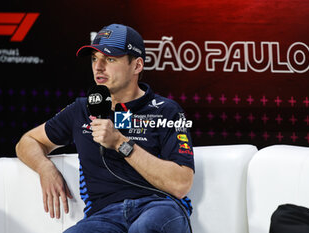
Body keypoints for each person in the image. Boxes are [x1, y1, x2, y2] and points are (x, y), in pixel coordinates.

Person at [16, 23, 195, 233]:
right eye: (94, 59)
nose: (98, 67)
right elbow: (27, 142)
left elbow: (181, 184)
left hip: (159, 206)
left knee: (145, 228)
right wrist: (45, 168)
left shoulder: (167, 110)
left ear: (137, 65)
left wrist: (120, 143)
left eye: (110, 59)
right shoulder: (81, 109)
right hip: (103, 216)